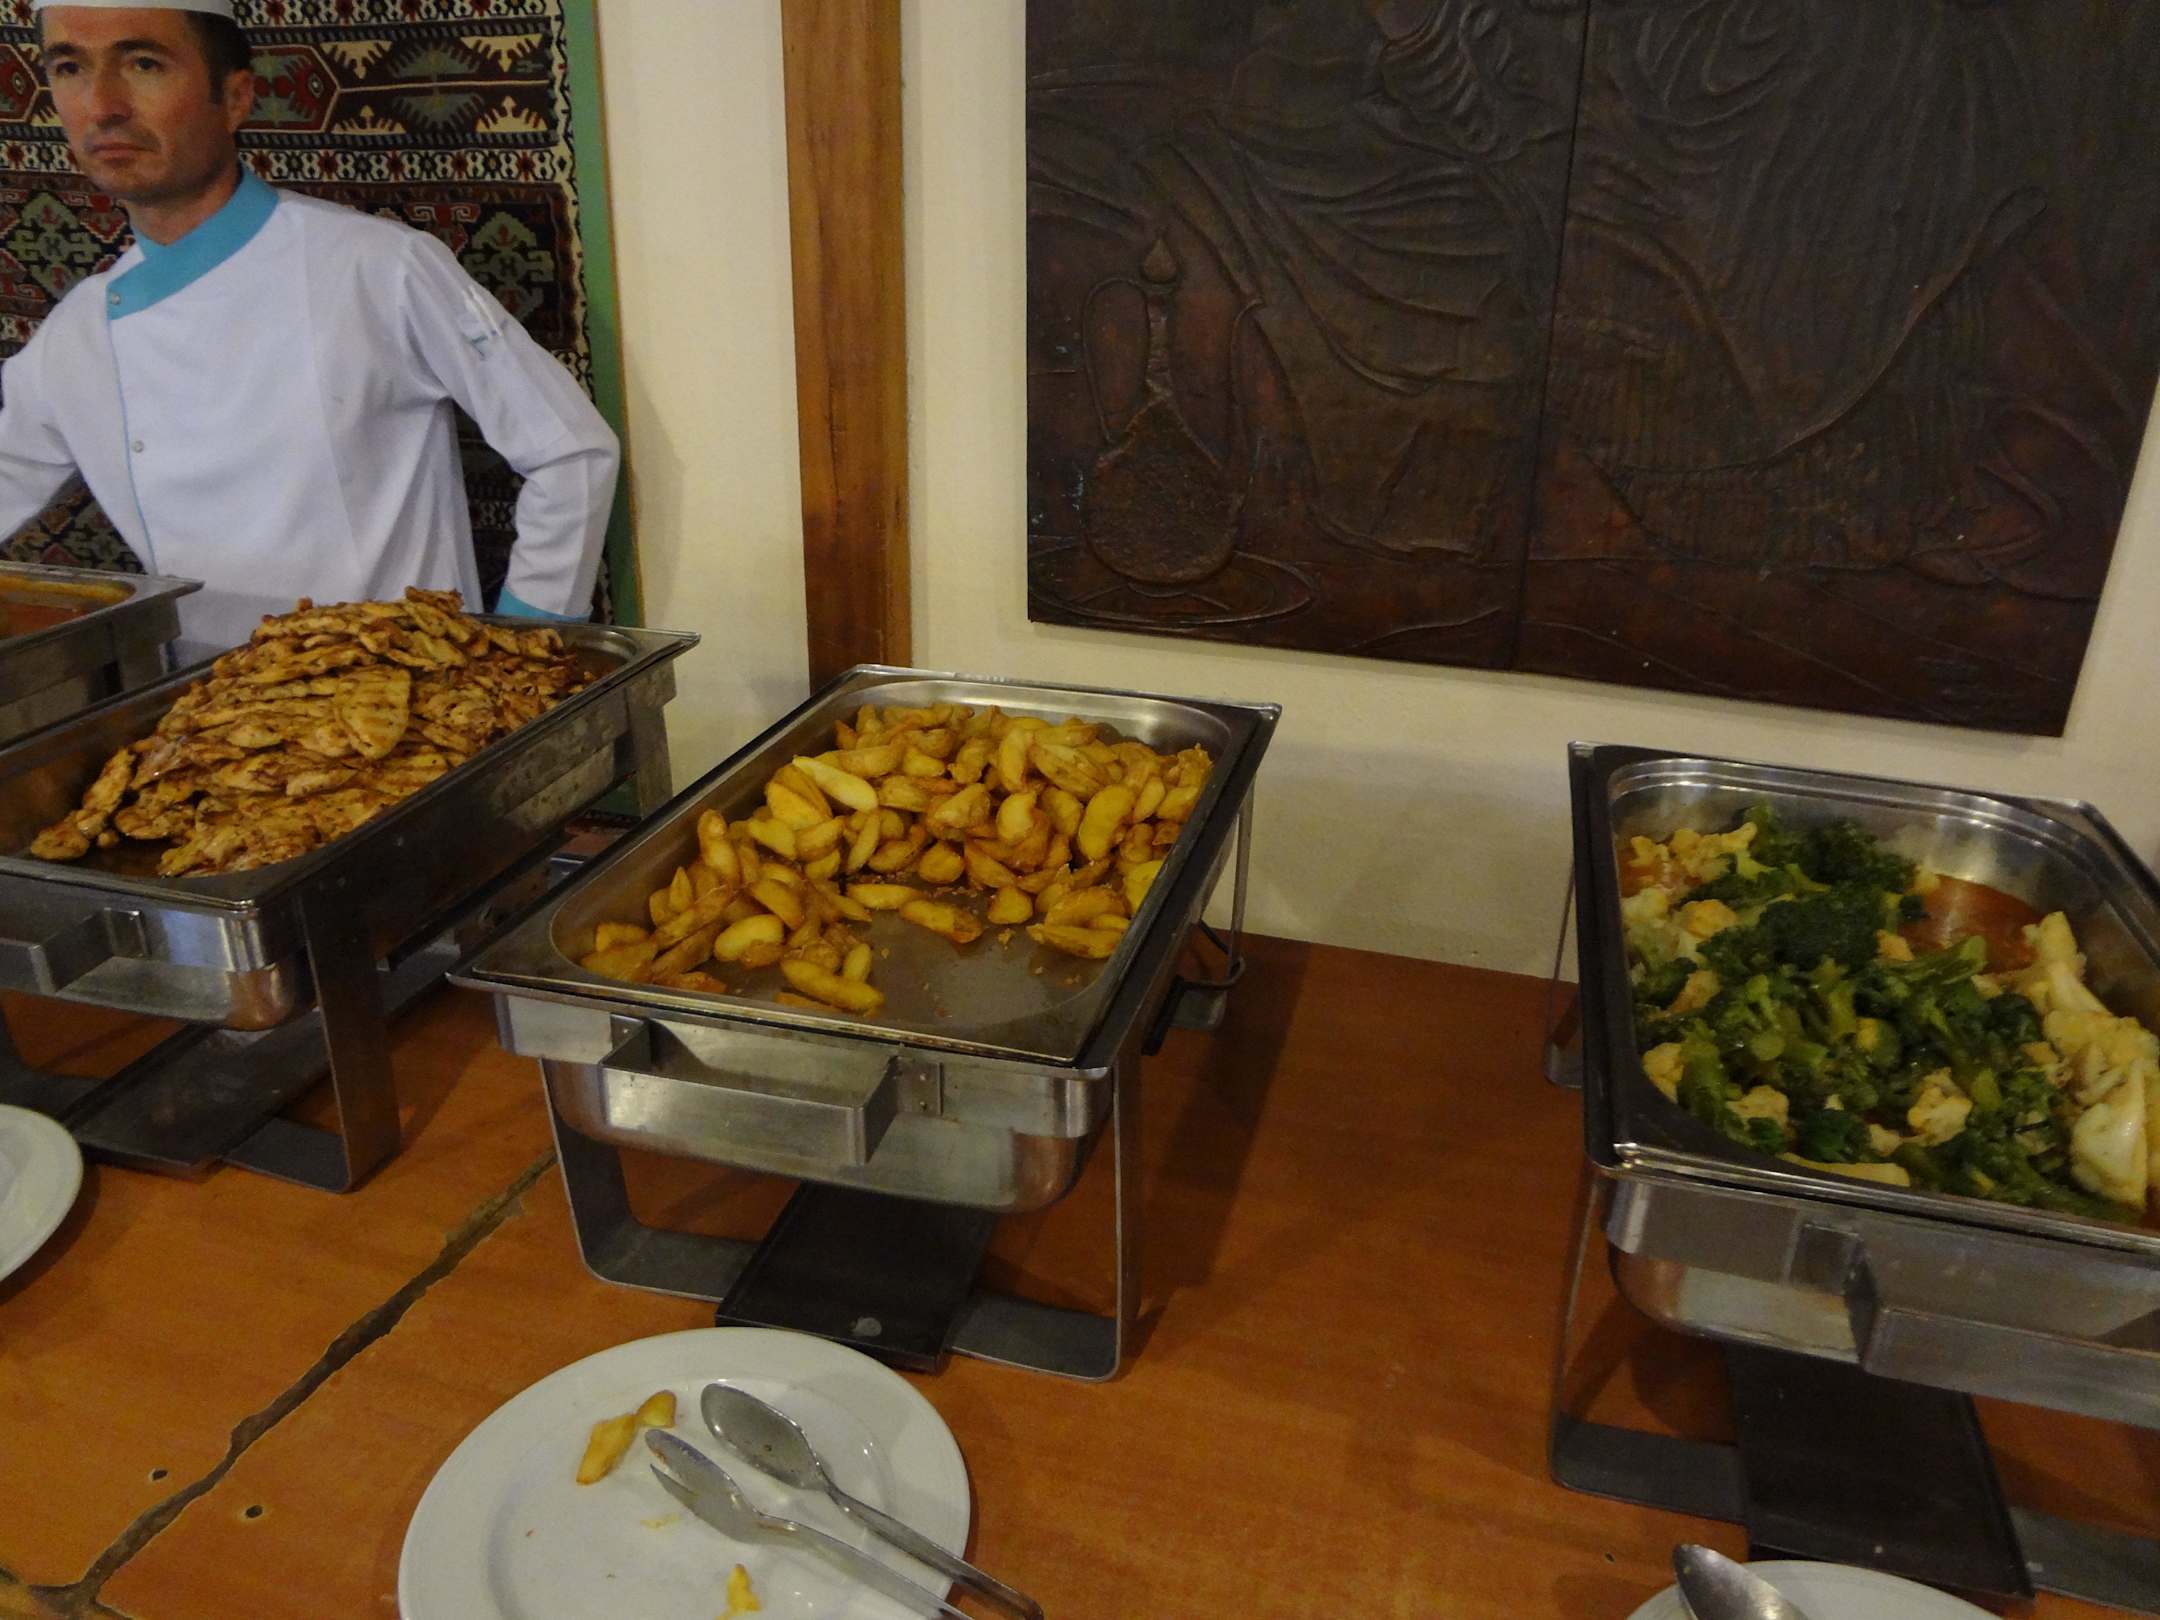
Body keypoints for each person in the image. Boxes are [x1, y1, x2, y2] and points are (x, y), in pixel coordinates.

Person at [0, 0, 620, 660]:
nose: (102, 106)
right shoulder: (79, 335)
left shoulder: (379, 268)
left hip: (405, 699)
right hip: (200, 708)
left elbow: (571, 454)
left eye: (144, 64)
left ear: (235, 97)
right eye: (69, 68)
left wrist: (519, 645)